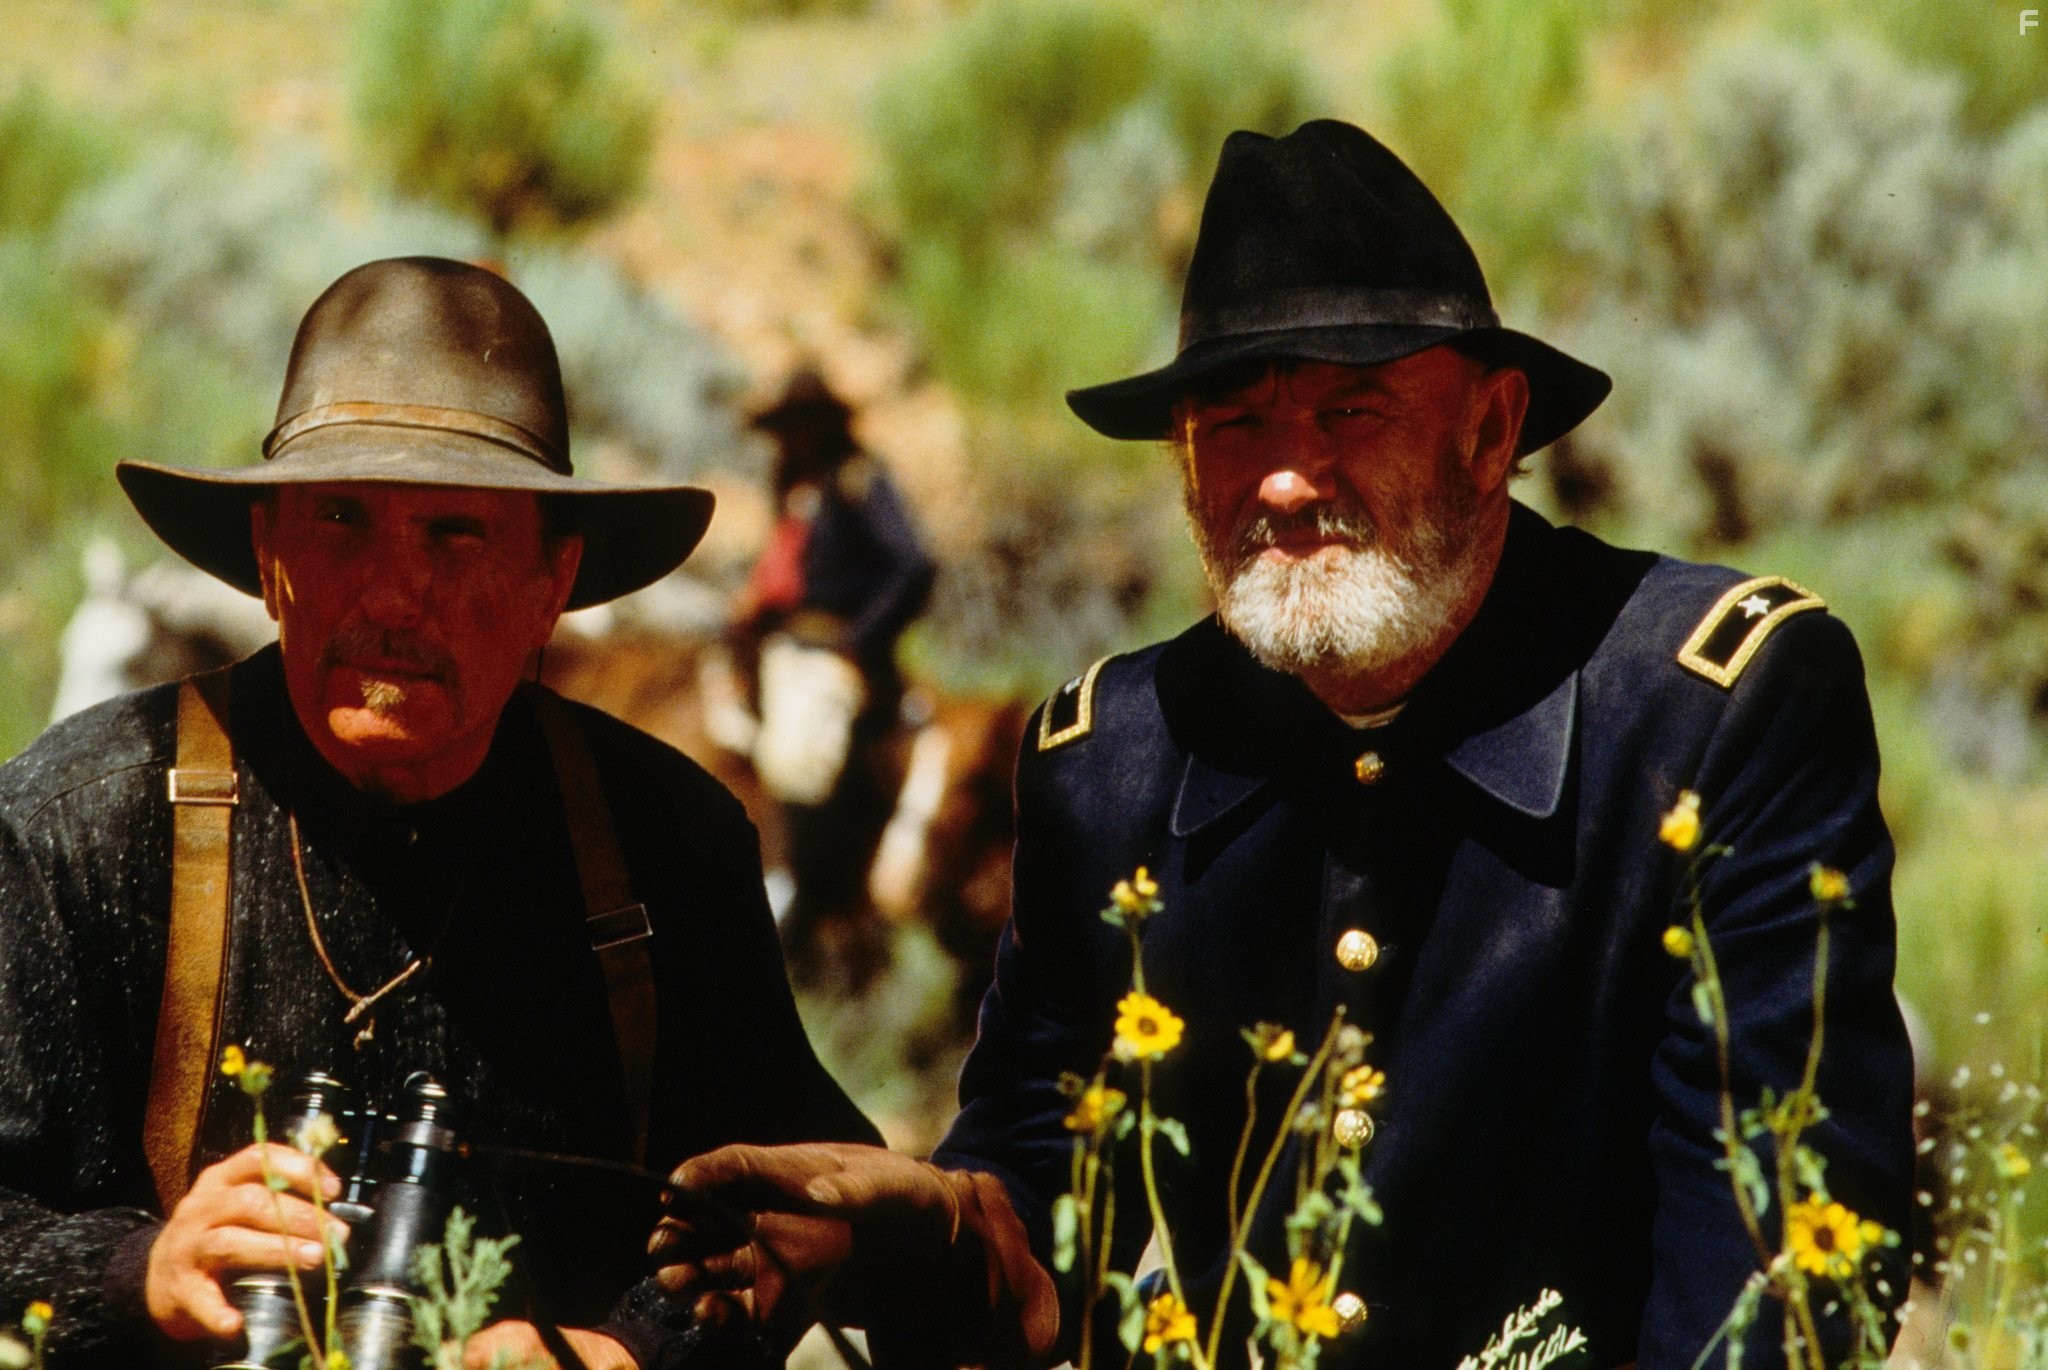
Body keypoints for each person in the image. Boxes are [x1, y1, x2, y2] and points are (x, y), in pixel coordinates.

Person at [649, 121, 1917, 1368]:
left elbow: (1775, 1273)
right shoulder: (1110, 754)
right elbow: (1038, 1204)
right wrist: (910, 1232)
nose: (1281, 479)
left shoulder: (1711, 706)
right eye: (1235, 423)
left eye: (1348, 407)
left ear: (1489, 430)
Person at [0, 257, 878, 1368]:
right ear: (269, 558)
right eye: (340, 517)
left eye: (456, 533)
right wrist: (142, 1271)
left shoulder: (664, 843)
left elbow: (802, 1194)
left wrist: (632, 1349)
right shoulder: (82, 826)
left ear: (552, 583)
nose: (390, 595)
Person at [726, 368, 935, 979]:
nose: (790, 439)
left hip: (829, 656)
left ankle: (799, 894)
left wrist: (856, 641)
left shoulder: (857, 479)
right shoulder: (794, 483)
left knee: (799, 760)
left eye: (800, 426)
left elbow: (913, 566)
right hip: (781, 647)